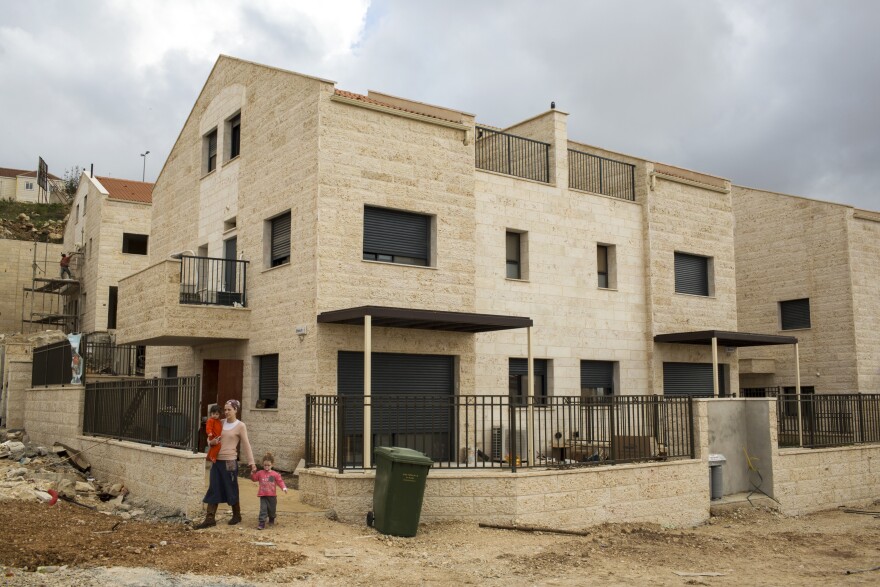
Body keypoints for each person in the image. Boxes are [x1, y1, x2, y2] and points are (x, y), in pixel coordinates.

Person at [194, 399, 256, 529]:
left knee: (231, 486)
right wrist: (212, 443)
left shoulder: (240, 426)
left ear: (236, 410)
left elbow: (246, 445)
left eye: (229, 409)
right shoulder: (220, 422)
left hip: (230, 462)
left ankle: (236, 515)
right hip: (216, 460)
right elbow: (209, 438)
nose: (226, 412)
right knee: (214, 487)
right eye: (225, 409)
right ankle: (210, 518)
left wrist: (252, 463)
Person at [250, 452, 287, 530]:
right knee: (263, 509)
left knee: (272, 509)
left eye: (268, 465)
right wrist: (253, 472)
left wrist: (284, 488)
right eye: (265, 465)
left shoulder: (274, 474)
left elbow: (280, 481)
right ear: (263, 464)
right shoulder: (260, 473)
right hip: (263, 495)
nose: (266, 467)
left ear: (272, 465)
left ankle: (272, 518)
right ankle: (261, 522)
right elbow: (254, 479)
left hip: (272, 496)